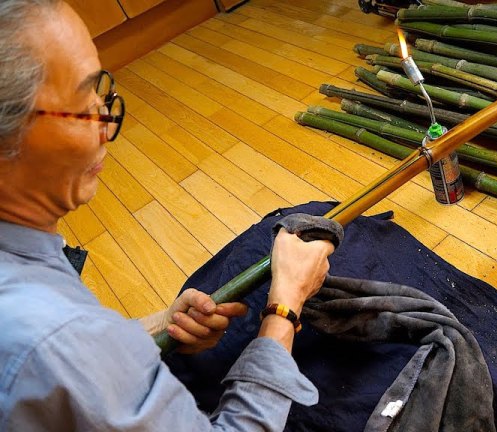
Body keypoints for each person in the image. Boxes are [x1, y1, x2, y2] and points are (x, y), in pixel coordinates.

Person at [0, 0, 335, 430]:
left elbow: (74, 371)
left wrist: (158, 324)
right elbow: (67, 353)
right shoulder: (54, 338)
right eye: (82, 105)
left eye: (100, 89)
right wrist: (285, 306)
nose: (105, 122)